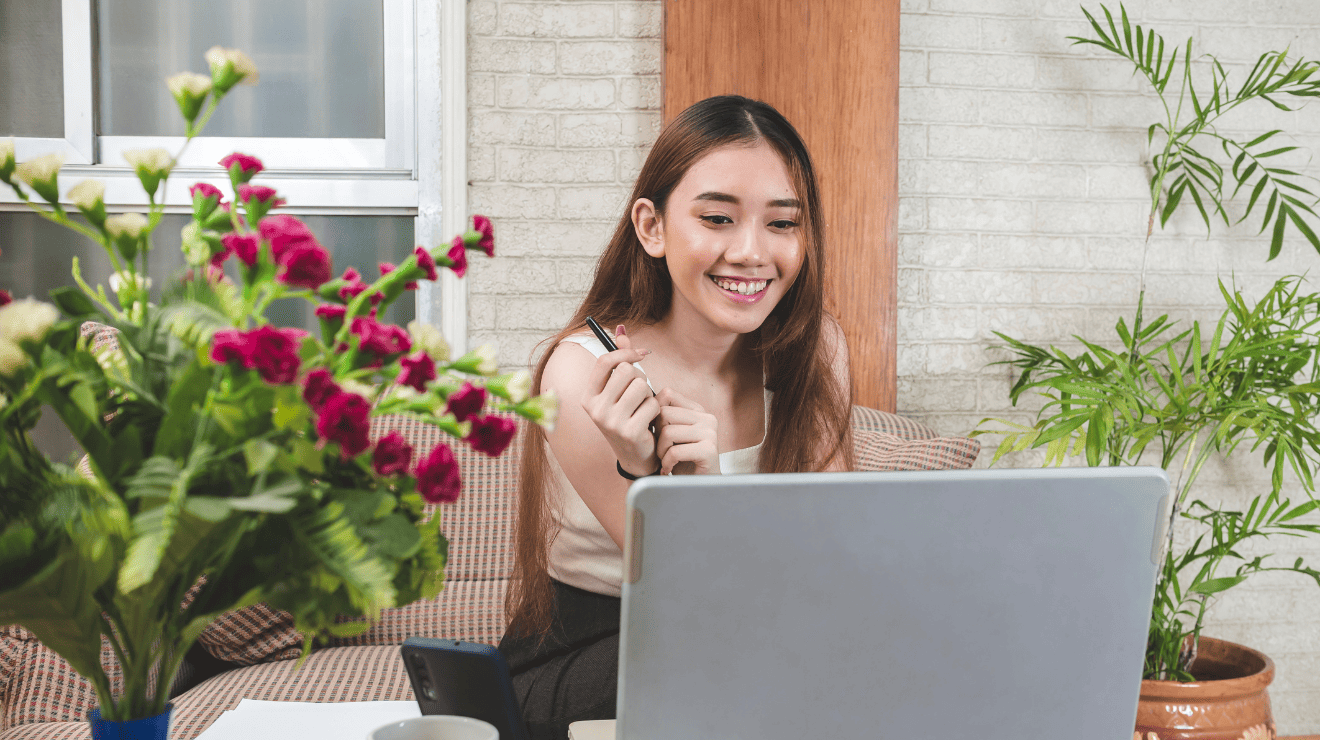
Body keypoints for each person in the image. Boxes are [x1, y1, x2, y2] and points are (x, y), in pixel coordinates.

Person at [497, 95, 855, 740]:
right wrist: (662, 481)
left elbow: (835, 553)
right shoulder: (583, 374)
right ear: (652, 226)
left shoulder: (815, 349)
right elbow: (704, 603)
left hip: (754, 642)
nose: (751, 253)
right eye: (717, 218)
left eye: (782, 224)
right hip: (595, 653)